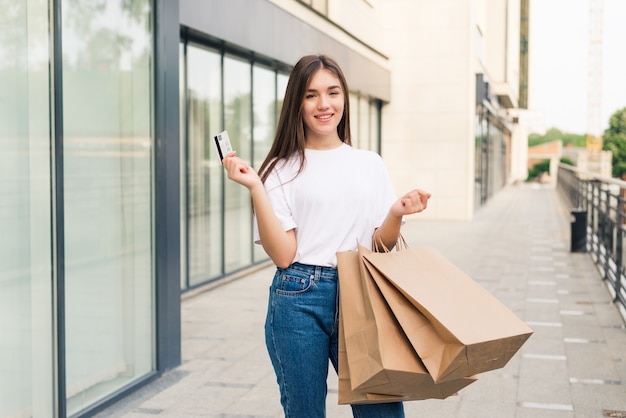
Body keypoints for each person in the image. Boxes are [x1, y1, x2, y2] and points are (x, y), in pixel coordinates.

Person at [222, 54, 431, 418]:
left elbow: (380, 246)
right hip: (299, 297)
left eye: (332, 93)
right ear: (297, 104)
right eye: (311, 95)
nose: (324, 104)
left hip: (361, 292)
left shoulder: (369, 163)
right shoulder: (280, 168)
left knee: (382, 411)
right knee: (304, 412)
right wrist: (255, 186)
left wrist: (395, 212)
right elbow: (284, 256)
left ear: (344, 98)